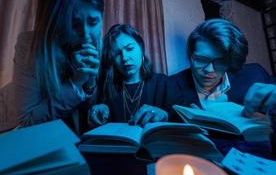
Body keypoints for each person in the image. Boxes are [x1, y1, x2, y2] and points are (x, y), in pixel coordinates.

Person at [167, 18, 276, 157]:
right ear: (190, 56)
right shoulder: (169, 86)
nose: (209, 70)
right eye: (200, 60)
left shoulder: (255, 74)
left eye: (220, 62)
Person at [13, 0, 104, 134]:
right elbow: (27, 123)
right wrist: (75, 84)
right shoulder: (29, 46)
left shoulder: (100, 45)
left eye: (93, 22)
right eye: (74, 24)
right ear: (55, 20)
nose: (86, 34)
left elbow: (89, 113)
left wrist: (89, 84)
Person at [88, 24, 168, 127]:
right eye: (117, 54)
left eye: (129, 49)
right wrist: (96, 114)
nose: (125, 58)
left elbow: (180, 124)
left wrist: (165, 116)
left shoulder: (164, 83)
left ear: (141, 48)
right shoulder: (105, 88)